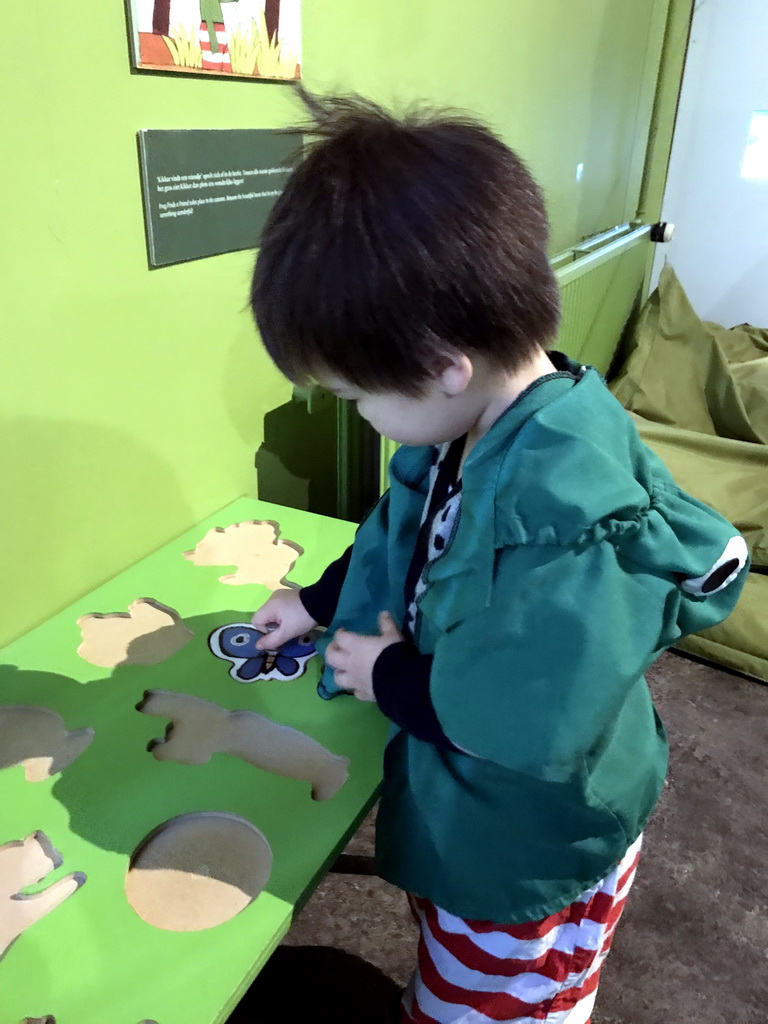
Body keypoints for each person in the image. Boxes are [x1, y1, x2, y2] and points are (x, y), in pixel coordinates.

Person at [248, 89, 749, 1024]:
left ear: (443, 365)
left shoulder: (565, 521)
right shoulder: (470, 421)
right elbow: (403, 530)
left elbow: (525, 722)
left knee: (503, 999)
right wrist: (319, 602)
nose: (357, 415)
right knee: (454, 954)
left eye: (355, 395)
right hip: (468, 788)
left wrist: (389, 673)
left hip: (532, 834)